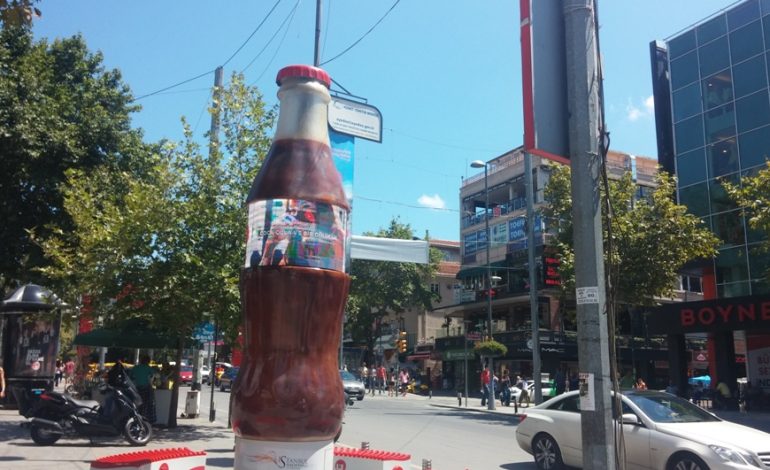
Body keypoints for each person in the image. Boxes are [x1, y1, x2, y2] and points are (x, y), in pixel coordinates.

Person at [128, 355, 157, 423]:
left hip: (137, 389)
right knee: (149, 404)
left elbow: (130, 377)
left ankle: (138, 418)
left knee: (138, 405)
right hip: (146, 388)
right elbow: (153, 377)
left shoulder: (135, 368)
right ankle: (147, 420)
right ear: (148, 361)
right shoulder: (148, 368)